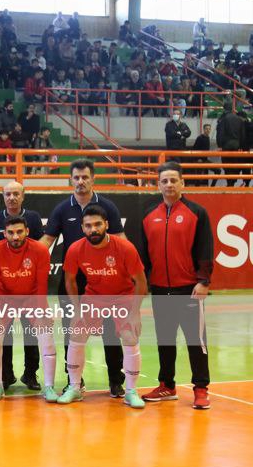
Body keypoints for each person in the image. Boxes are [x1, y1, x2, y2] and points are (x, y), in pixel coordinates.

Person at [41, 159, 128, 397]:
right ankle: (74, 383)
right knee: (73, 332)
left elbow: (121, 240)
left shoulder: (107, 206)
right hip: (72, 281)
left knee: (111, 332)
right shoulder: (61, 209)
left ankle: (116, 381)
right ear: (70, 179)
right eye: (76, 177)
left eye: (85, 177)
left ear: (93, 179)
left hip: (104, 282)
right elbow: (46, 241)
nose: (80, 181)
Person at [58, 205, 148, 409]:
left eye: (98, 224)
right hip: (94, 297)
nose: (93, 229)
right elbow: (70, 281)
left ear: (107, 225)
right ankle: (74, 387)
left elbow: (141, 283)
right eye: (88, 226)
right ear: (82, 227)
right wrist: (77, 309)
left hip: (123, 297)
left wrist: (134, 314)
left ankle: (131, 391)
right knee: (77, 333)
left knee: (129, 335)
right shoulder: (75, 249)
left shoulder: (124, 248)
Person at [140, 162, 214, 409]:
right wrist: (148, 281)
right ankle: (167, 386)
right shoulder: (149, 214)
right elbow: (144, 254)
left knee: (196, 341)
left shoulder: (197, 212)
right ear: (158, 184)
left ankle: (201, 389)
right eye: (164, 181)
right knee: (165, 341)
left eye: (174, 180)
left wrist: (203, 281)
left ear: (182, 183)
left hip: (189, 289)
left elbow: (205, 248)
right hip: (160, 290)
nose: (169, 185)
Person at [0, 181, 44, 389]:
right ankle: (5, 376)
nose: (12, 197)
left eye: (16, 193)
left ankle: (30, 374)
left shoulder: (32, 217)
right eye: (8, 194)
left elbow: (38, 248)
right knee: (2, 334)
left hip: (29, 292)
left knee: (31, 334)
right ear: (3, 196)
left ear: (23, 195)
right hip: (4, 291)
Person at [0, 216, 56, 401]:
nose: (15, 236)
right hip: (5, 299)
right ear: (5, 233)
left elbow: (42, 286)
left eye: (19, 232)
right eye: (11, 232)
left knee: (45, 335)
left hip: (32, 298)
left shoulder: (40, 250)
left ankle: (48, 387)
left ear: (27, 231)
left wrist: (42, 313)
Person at [216, 102, 247, 187]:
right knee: (234, 164)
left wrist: (219, 145)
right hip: (237, 144)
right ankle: (233, 181)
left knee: (227, 165)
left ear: (224, 109)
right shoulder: (238, 119)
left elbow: (220, 133)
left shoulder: (224, 119)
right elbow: (242, 134)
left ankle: (229, 183)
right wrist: (241, 146)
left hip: (226, 145)